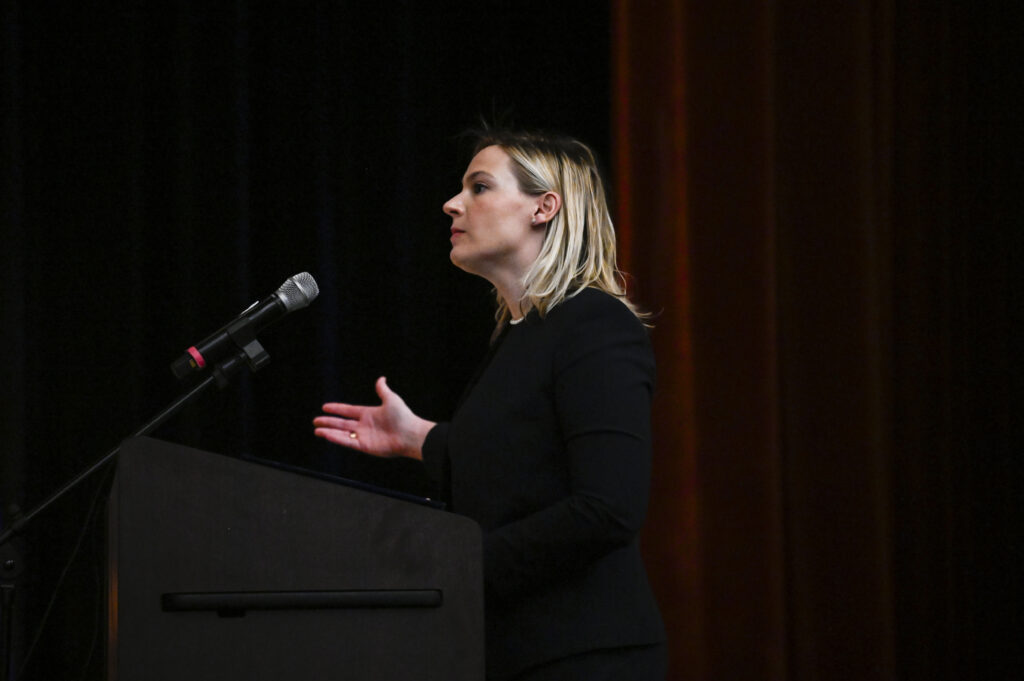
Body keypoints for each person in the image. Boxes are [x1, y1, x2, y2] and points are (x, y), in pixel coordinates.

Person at [313, 129, 666, 680]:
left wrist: (458, 562)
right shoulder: (522, 335)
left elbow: (607, 507)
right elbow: (524, 462)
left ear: (544, 208)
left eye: (479, 187)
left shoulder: (595, 325)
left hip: (583, 655)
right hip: (509, 653)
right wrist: (419, 439)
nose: (453, 204)